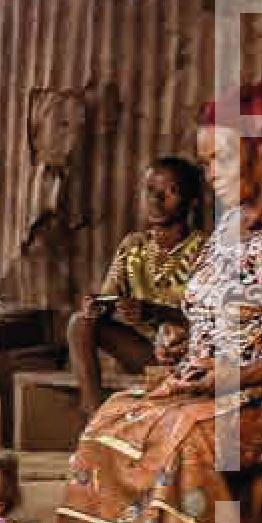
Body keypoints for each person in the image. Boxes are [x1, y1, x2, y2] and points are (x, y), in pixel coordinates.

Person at [58, 83, 262, 523]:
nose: (209, 172)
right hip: (204, 382)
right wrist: (178, 344)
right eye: (206, 159)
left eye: (220, 157)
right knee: (112, 418)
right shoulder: (225, 231)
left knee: (183, 436)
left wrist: (230, 376)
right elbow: (208, 319)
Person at [68, 157, 208, 420]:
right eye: (149, 190)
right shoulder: (133, 246)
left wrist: (155, 312)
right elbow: (108, 299)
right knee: (80, 323)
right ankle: (94, 421)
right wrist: (98, 305)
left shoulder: (205, 249)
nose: (156, 200)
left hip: (190, 358)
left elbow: (211, 321)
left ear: (192, 201)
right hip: (147, 354)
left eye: (170, 192)